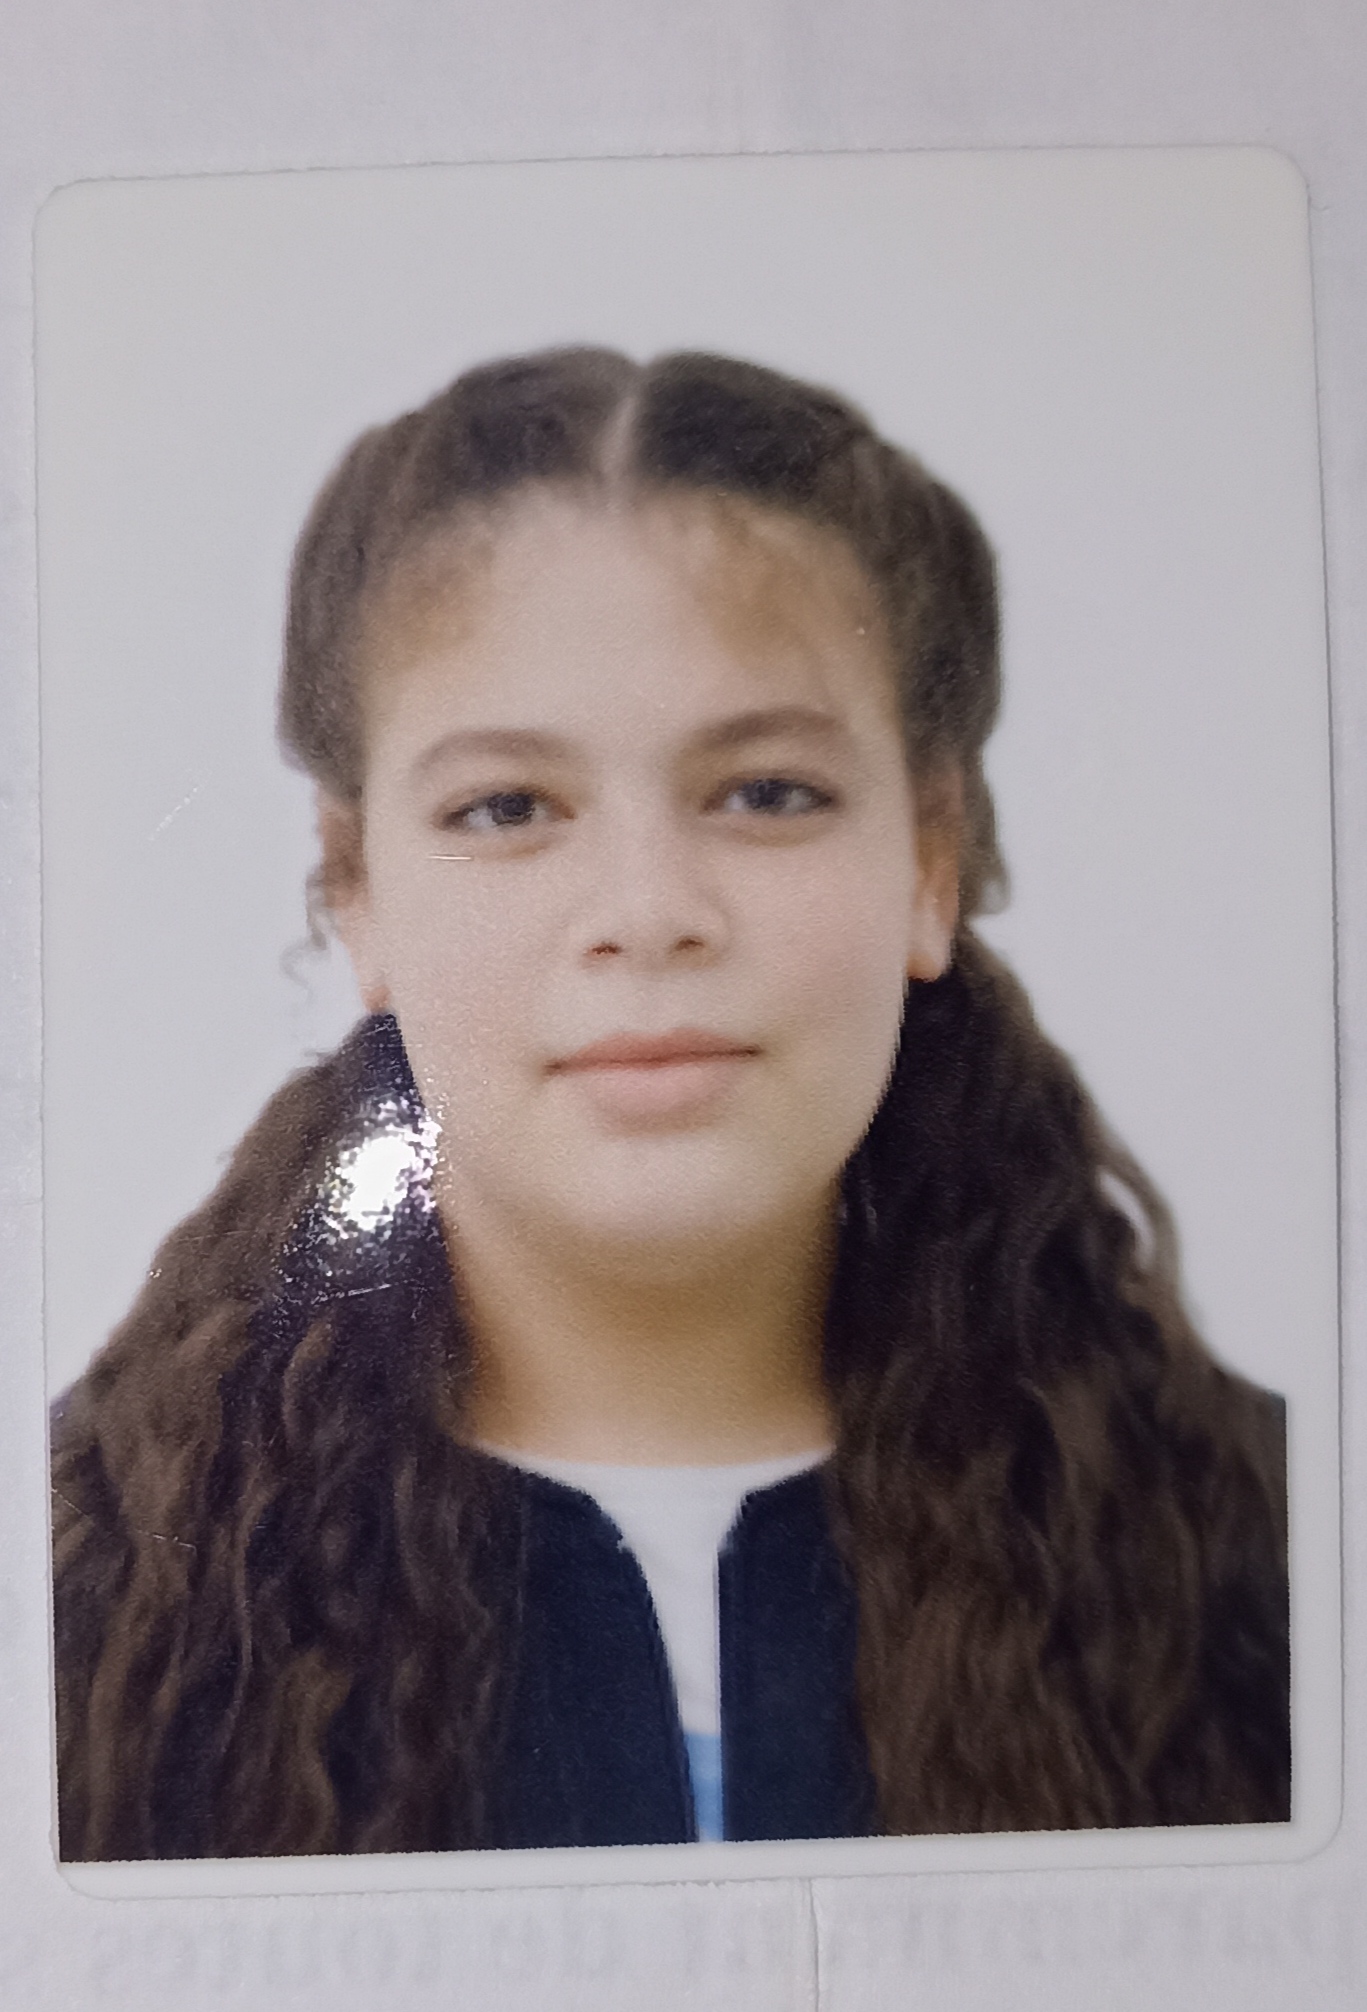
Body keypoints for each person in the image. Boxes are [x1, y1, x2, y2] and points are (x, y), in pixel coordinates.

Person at [50, 347, 1290, 1861]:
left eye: (766, 792)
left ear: (931, 855)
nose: (647, 913)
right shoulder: (69, 1604)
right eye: (508, 807)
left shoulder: (1278, 1560)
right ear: (356, 885)